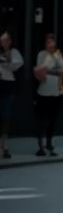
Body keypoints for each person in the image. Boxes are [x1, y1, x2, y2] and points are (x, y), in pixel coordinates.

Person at [33, 32, 63, 157]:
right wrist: (54, 71)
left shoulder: (58, 54)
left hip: (56, 91)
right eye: (48, 41)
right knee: (41, 120)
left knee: (53, 119)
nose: (50, 43)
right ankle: (40, 145)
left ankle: (49, 143)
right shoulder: (41, 54)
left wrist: (50, 71)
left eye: (52, 41)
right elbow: (40, 71)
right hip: (43, 91)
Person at [0, 29, 23, 160]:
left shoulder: (14, 53)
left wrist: (7, 49)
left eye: (5, 40)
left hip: (7, 86)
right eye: (1, 40)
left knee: (6, 117)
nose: (3, 43)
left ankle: (4, 145)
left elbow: (13, 65)